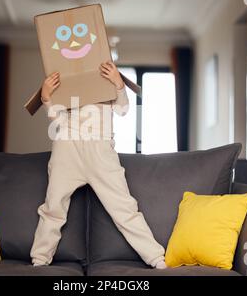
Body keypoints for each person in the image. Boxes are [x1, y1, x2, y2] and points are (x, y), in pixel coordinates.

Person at [30, 61, 167, 269]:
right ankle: (40, 259)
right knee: (53, 207)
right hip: (68, 148)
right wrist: (46, 98)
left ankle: (156, 258)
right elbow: (58, 121)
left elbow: (122, 110)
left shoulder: (105, 78)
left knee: (124, 208)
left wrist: (119, 85)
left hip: (100, 150)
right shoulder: (66, 79)